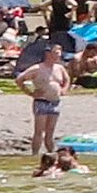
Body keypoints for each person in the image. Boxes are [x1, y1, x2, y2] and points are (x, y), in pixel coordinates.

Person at [20, 28, 68, 165]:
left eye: (59, 52)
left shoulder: (60, 68)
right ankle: (35, 154)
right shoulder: (37, 68)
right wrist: (30, 92)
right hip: (41, 101)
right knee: (39, 130)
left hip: (55, 102)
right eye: (56, 52)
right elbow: (20, 80)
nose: (58, 55)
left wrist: (64, 89)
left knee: (50, 131)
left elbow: (67, 79)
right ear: (49, 53)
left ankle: (51, 155)